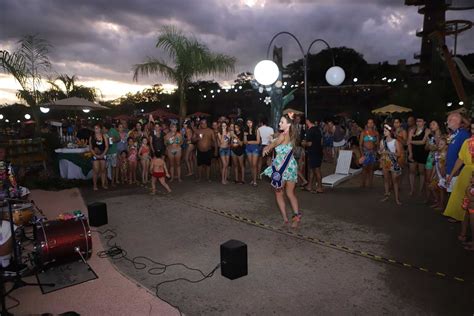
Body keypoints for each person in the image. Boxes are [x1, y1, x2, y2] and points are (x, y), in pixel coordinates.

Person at [262, 113, 301, 229]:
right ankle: (295, 217)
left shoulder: (282, 136)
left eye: (282, 122)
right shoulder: (292, 134)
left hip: (280, 168)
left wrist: (267, 147)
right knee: (290, 193)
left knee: (279, 193)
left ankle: (285, 219)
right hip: (291, 166)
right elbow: (277, 137)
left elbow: (275, 143)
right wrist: (273, 137)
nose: (279, 123)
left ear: (288, 124)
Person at [444, 122, 474, 222]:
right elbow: (460, 159)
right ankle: (459, 217)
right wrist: (451, 174)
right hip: (466, 173)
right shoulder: (467, 142)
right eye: (473, 129)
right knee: (462, 196)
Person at [379, 124, 403, 205]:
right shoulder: (382, 141)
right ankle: (386, 196)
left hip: (393, 162)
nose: (384, 132)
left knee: (394, 181)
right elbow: (380, 152)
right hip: (385, 161)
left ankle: (397, 199)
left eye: (386, 131)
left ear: (390, 132)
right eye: (384, 131)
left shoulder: (395, 141)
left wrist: (389, 152)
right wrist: (380, 151)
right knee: (386, 180)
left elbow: (399, 154)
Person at [407, 116, 430, 196]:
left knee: (421, 172)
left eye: (420, 121)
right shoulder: (412, 130)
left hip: (422, 153)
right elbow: (408, 143)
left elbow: (423, 142)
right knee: (411, 171)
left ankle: (420, 190)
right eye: (417, 121)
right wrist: (410, 153)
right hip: (413, 152)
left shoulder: (427, 131)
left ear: (424, 122)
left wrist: (411, 141)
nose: (418, 122)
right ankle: (412, 189)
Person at [303, 118, 324, 193]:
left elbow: (309, 143)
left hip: (313, 152)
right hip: (318, 151)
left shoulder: (310, 130)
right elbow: (321, 141)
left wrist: (303, 143)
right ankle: (309, 186)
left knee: (317, 170)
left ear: (308, 121)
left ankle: (320, 187)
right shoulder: (318, 129)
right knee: (312, 170)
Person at [359, 118, 379, 187]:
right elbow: (360, 144)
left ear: (373, 124)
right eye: (369, 123)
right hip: (365, 152)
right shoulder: (363, 132)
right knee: (364, 168)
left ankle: (370, 183)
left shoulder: (376, 133)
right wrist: (362, 154)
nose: (370, 124)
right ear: (367, 124)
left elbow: (378, 144)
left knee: (371, 168)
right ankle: (363, 183)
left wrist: (376, 145)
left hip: (373, 152)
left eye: (371, 122)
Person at [430, 136, 448, 211]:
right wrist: (433, 175)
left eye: (441, 144)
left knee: (441, 191)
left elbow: (443, 167)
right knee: (432, 187)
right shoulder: (437, 153)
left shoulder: (445, 155)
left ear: (446, 146)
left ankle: (441, 205)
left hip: (442, 176)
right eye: (439, 144)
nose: (439, 146)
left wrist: (442, 177)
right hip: (437, 174)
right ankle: (438, 202)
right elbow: (435, 165)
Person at [89, 124, 109, 191]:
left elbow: (107, 146)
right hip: (95, 155)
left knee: (103, 170)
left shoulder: (104, 136)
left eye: (97, 128)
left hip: (103, 154)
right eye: (95, 128)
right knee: (96, 170)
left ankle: (103, 184)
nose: (96, 130)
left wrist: (103, 154)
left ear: (100, 129)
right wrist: (95, 155)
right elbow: (90, 148)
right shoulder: (91, 137)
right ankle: (95, 185)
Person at [244, 119, 261, 187]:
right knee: (251, 165)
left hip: (255, 148)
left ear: (253, 123)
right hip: (248, 148)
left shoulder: (256, 130)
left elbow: (258, 142)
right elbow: (245, 142)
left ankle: (255, 181)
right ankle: (253, 179)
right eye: (248, 123)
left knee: (254, 164)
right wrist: (245, 136)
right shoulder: (246, 131)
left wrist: (249, 142)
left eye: (250, 122)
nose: (249, 124)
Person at [460, 172, 474, 251]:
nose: (470, 178)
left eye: (472, 177)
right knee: (471, 227)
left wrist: (467, 191)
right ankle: (472, 241)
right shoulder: (472, 186)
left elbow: (472, 199)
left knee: (473, 227)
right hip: (470, 209)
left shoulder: (470, 188)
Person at [104, 123, 120, 187]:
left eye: (104, 129)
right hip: (106, 152)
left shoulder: (113, 130)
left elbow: (119, 139)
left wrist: (114, 140)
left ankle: (113, 182)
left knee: (113, 167)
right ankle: (106, 181)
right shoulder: (102, 133)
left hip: (113, 152)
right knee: (105, 167)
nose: (103, 130)